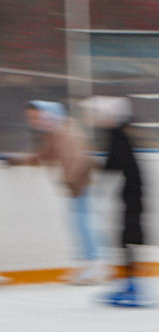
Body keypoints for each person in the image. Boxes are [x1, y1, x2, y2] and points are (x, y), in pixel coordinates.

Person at [5, 100, 106, 284]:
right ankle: (86, 265)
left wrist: (73, 181)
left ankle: (95, 266)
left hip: (80, 182)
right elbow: (43, 156)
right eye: (30, 118)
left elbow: (77, 157)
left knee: (83, 224)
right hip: (76, 183)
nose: (33, 121)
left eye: (35, 117)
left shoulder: (63, 131)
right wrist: (17, 160)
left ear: (47, 114)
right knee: (78, 224)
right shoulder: (54, 131)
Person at [84, 96, 150, 307]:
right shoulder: (119, 134)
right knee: (125, 240)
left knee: (128, 239)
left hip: (132, 196)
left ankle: (134, 287)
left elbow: (115, 163)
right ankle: (130, 284)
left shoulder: (119, 136)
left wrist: (93, 165)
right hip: (130, 194)